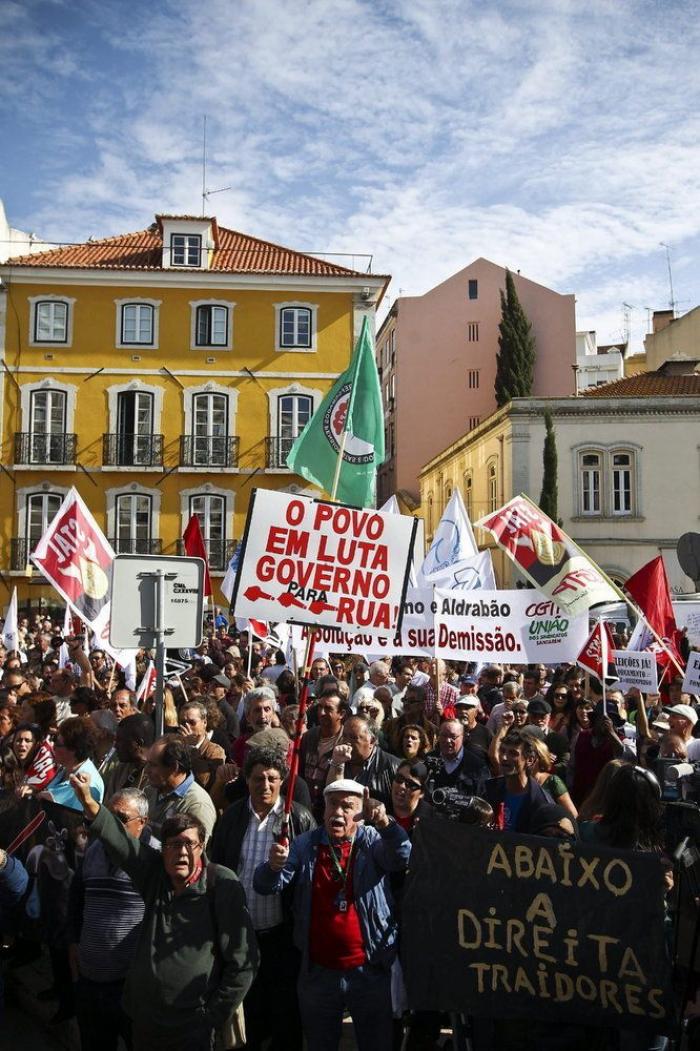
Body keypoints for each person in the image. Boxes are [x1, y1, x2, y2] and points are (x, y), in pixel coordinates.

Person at [68, 772, 258, 1051]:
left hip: (193, 1027)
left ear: (202, 846)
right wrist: (89, 803)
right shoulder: (154, 876)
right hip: (145, 1022)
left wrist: (212, 1015)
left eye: (189, 844)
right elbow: (121, 842)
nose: (181, 852)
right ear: (161, 850)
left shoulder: (221, 884)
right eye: (173, 845)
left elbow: (244, 961)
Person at [254, 779, 411, 1051]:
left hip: (369, 970)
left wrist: (386, 823)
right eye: (333, 805)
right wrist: (272, 866)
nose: (338, 813)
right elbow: (266, 885)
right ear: (323, 809)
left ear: (361, 814)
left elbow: (402, 857)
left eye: (348, 807)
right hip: (318, 973)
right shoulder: (305, 845)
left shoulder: (371, 840)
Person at [211, 747, 315, 1050]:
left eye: (272, 779)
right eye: (258, 779)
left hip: (281, 937)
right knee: (248, 1016)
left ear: (282, 780)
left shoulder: (298, 818)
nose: (265, 786)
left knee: (284, 1016)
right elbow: (218, 867)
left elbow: (307, 880)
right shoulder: (232, 817)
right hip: (240, 934)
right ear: (247, 780)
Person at [68, 787, 156, 1051]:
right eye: (109, 815)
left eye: (121, 818)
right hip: (89, 980)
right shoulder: (94, 850)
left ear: (142, 823)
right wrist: (73, 943)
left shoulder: (153, 857)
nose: (112, 825)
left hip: (129, 987)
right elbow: (76, 900)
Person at [144, 736, 217, 843]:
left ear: (174, 767)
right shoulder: (149, 791)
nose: (146, 770)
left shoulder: (197, 805)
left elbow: (192, 854)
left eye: (153, 765)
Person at [485, 730, 554, 832]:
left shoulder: (541, 804)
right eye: (502, 751)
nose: (504, 757)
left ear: (530, 760)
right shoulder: (490, 790)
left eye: (513, 753)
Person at [327, 715, 400, 806]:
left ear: (372, 741)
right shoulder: (336, 757)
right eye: (345, 736)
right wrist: (337, 765)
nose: (347, 742)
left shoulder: (393, 767)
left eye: (353, 737)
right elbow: (330, 797)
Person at [299, 689, 348, 820]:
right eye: (320, 707)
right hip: (306, 810)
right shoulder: (309, 737)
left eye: (328, 709)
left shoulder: (347, 742)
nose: (321, 713)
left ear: (341, 713)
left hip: (331, 812)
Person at [42, 716, 104, 809]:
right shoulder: (65, 769)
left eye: (57, 743)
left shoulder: (89, 784)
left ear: (74, 749)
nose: (53, 747)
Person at [430, 717, 492, 798]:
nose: (447, 740)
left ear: (463, 738)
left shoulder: (477, 767)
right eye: (444, 735)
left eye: (453, 736)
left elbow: (483, 800)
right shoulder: (429, 760)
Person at [178, 700, 226, 792]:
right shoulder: (176, 747)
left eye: (192, 722)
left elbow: (205, 781)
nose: (187, 726)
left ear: (204, 723)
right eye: (183, 722)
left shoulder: (215, 750)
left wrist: (192, 748)